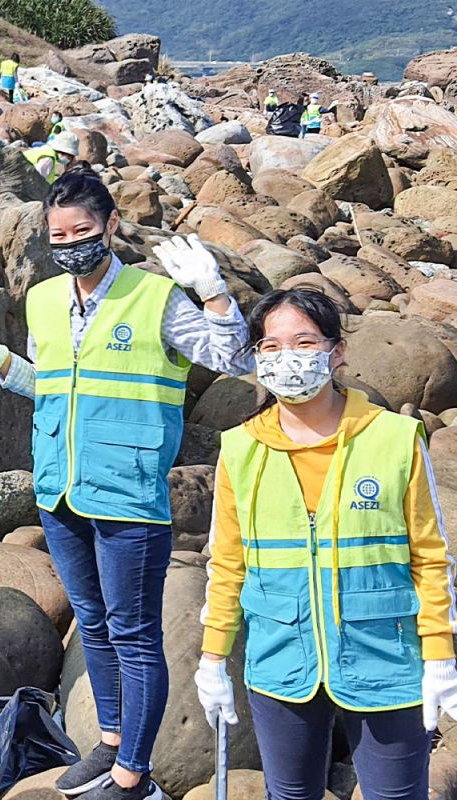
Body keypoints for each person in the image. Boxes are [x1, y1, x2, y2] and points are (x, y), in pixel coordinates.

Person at [0, 163, 253, 800]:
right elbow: (52, 384)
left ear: (111, 225)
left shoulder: (154, 297)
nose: (70, 246)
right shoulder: (42, 300)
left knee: (135, 633)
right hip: (60, 488)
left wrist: (214, 290)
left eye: (82, 231)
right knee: (91, 622)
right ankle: (111, 738)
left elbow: (233, 357)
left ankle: (132, 774)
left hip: (130, 491)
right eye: (57, 238)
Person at [195, 288, 457, 800]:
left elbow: (431, 556)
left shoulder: (396, 438)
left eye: (303, 341)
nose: (286, 357)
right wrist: (211, 659)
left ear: (336, 353)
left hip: (386, 657)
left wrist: (440, 656)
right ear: (254, 358)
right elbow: (227, 564)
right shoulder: (240, 448)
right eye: (269, 347)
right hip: (279, 660)